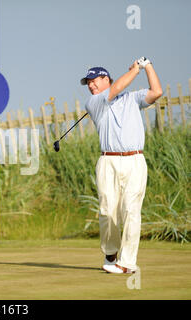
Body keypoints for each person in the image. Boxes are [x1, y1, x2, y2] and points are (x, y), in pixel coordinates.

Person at [81, 58, 162, 274]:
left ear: (105, 78)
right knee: (108, 211)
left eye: (93, 80)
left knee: (131, 210)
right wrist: (135, 71)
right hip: (108, 161)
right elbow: (117, 87)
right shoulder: (94, 102)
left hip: (135, 160)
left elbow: (157, 92)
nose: (90, 85)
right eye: (88, 82)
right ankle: (110, 252)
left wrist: (148, 66)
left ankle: (127, 263)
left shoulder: (133, 98)